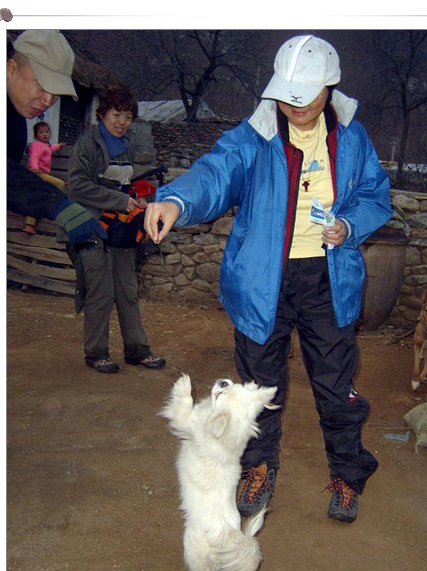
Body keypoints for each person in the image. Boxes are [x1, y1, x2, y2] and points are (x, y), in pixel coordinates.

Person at [144, 35, 391, 523]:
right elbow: (215, 173)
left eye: (307, 96)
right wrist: (176, 200)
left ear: (329, 89)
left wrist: (349, 225)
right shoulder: (253, 137)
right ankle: (258, 469)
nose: (296, 106)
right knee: (259, 388)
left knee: (336, 387)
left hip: (328, 278)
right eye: (288, 95)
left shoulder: (352, 137)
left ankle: (347, 475)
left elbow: (374, 195)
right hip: (263, 283)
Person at [67, 86, 166, 374]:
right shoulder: (88, 144)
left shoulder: (125, 146)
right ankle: (96, 353)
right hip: (91, 226)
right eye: (116, 115)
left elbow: (126, 184)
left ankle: (137, 349)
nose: (122, 122)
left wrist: (141, 197)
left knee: (127, 290)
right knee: (100, 292)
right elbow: (78, 186)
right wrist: (120, 200)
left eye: (128, 117)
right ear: (102, 114)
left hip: (120, 229)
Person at [7, 29, 107, 247]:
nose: (48, 101)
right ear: (11, 69)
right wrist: (56, 203)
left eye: (56, 94)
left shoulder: (14, 119)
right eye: (43, 87)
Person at [22, 121, 67, 234]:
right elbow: (34, 157)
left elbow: (50, 149)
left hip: (40, 174)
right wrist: (35, 168)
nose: (45, 134)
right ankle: (53, 205)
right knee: (60, 184)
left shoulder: (45, 146)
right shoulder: (37, 145)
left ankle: (29, 225)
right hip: (37, 174)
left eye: (47, 132)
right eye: (41, 132)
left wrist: (59, 145)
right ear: (36, 135)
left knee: (37, 197)